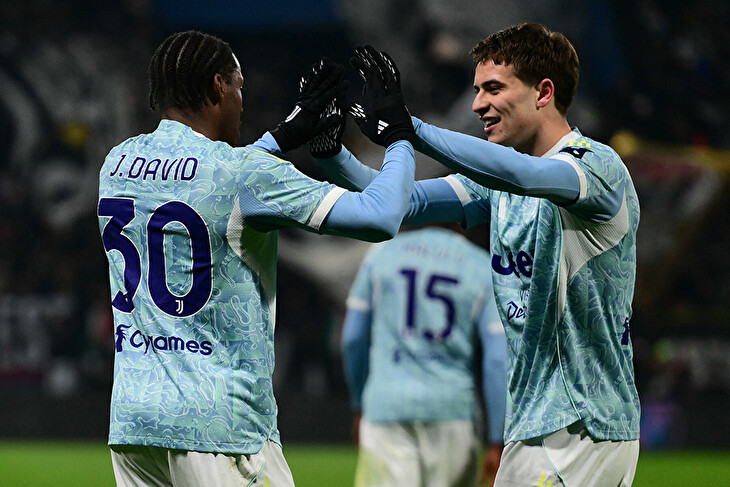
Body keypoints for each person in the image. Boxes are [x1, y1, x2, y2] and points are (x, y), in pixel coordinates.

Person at [312, 25, 641, 487]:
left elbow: (528, 175)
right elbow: (404, 201)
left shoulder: (596, 166)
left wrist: (413, 129)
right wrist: (332, 155)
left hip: (584, 425)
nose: (477, 105)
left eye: (493, 88)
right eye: (477, 90)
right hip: (530, 425)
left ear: (544, 92)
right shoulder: (499, 185)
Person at [97, 30, 416, 487]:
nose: (243, 101)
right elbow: (381, 216)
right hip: (222, 427)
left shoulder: (117, 164)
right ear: (218, 86)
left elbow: (207, 183)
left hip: (135, 424)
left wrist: (285, 135)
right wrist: (399, 136)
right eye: (239, 86)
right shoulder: (247, 173)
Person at [341, 225, 508, 487]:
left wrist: (359, 405)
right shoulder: (481, 265)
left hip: (387, 407)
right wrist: (498, 439)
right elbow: (497, 360)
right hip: (453, 411)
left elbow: (352, 338)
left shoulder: (381, 255)